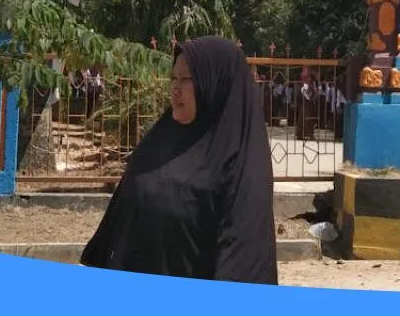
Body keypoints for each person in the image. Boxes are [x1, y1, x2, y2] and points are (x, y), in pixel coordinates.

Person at [80, 37, 278, 283]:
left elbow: (243, 260)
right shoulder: (160, 140)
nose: (175, 88)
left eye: (186, 79)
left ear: (214, 84)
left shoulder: (241, 163)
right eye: (173, 78)